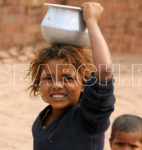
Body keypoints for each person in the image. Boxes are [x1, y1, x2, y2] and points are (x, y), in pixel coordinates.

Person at [28, 2, 115, 150]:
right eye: (48, 78)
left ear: (84, 84)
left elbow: (104, 70)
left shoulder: (89, 118)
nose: (57, 85)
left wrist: (92, 22)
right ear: (38, 82)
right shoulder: (41, 122)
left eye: (68, 78)